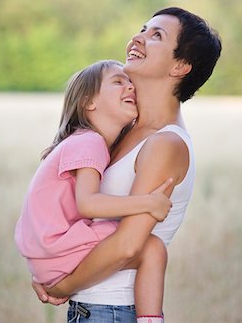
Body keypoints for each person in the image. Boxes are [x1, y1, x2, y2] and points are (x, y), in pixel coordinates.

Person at [32, 7, 222, 323]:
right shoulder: (120, 130)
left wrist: (60, 284)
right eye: (143, 29)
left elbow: (128, 245)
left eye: (156, 35)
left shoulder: (166, 143)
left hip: (112, 311)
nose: (137, 38)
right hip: (89, 308)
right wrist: (48, 264)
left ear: (180, 66)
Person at [15, 60, 173, 322]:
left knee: (143, 247)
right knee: (152, 249)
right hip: (56, 247)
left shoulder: (84, 142)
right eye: (118, 81)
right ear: (89, 102)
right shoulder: (89, 142)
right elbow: (88, 204)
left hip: (47, 254)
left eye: (130, 82)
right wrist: (148, 203)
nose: (130, 87)